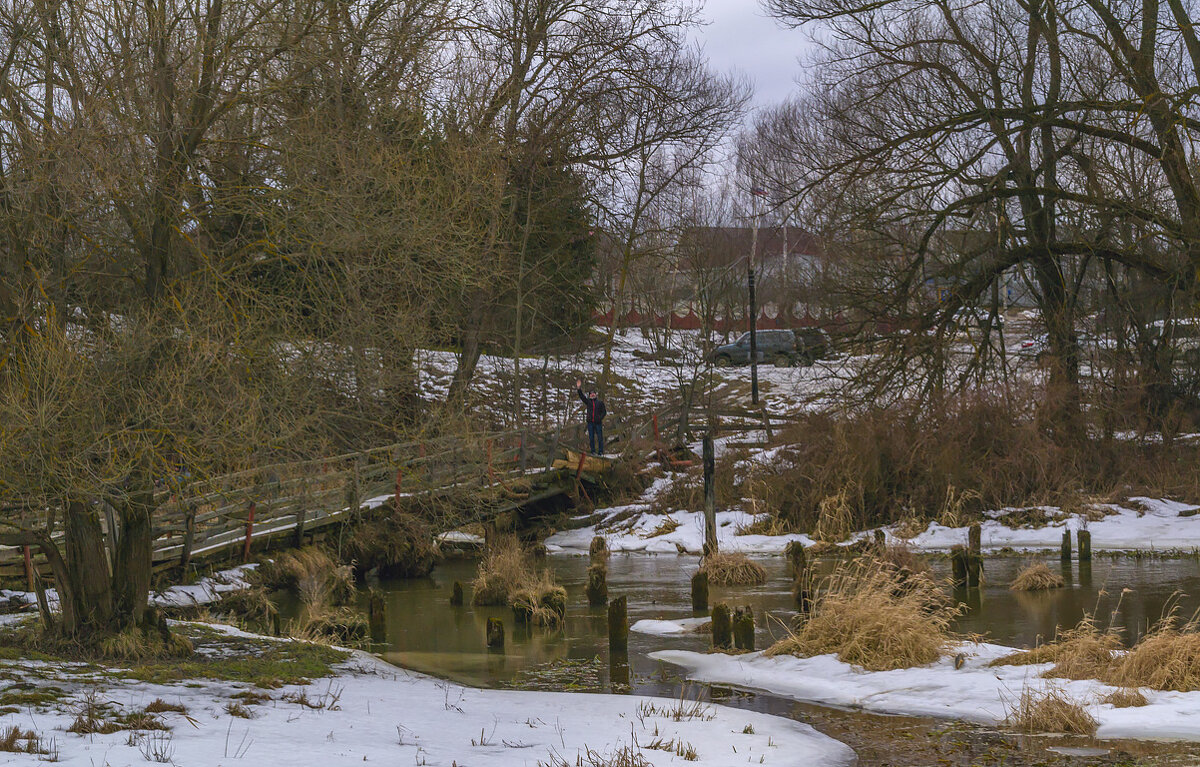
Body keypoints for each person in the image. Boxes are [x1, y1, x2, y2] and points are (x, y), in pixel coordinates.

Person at [575, 378, 607, 455]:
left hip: (598, 423)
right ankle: (593, 451)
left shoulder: (600, 403)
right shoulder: (588, 402)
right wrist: (579, 388)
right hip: (590, 423)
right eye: (591, 394)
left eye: (593, 394)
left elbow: (604, 412)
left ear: (595, 395)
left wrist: (600, 418)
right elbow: (581, 396)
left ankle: (600, 451)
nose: (592, 395)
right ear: (589, 396)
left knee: (600, 438)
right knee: (591, 438)